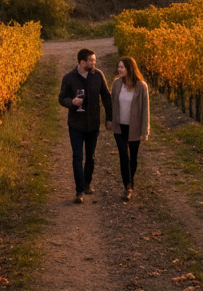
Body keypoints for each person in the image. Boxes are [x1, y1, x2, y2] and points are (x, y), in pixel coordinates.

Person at [58, 48, 112, 203]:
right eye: (91, 60)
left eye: (94, 60)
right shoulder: (69, 78)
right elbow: (61, 98)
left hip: (93, 123)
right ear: (82, 62)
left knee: (91, 157)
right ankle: (79, 190)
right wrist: (72, 102)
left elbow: (107, 97)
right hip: (75, 124)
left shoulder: (98, 76)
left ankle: (87, 183)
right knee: (77, 156)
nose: (94, 63)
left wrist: (109, 118)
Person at [111, 56, 149, 201]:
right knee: (123, 155)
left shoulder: (141, 86)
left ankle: (130, 181)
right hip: (120, 126)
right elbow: (112, 102)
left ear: (129, 69)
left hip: (134, 127)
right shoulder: (116, 83)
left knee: (133, 157)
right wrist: (109, 120)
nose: (119, 69)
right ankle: (128, 186)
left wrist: (145, 131)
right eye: (118, 67)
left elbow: (145, 110)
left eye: (122, 67)